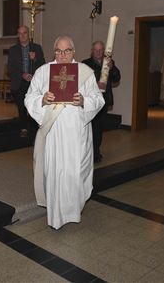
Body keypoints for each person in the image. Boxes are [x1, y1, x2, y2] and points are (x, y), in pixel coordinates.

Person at [25, 36, 104, 229]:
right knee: (55, 173)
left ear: (73, 52)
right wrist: (42, 100)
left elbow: (98, 99)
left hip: (77, 134)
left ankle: (73, 211)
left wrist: (84, 101)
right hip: (53, 133)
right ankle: (55, 216)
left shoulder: (85, 73)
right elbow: (29, 97)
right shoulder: (43, 72)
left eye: (67, 51)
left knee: (74, 174)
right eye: (59, 51)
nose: (63, 55)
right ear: (54, 52)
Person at [82, 41, 121, 162]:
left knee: (98, 129)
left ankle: (95, 152)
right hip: (89, 101)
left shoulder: (109, 63)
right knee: (90, 129)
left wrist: (112, 68)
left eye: (100, 50)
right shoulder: (85, 64)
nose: (98, 52)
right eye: (96, 50)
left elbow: (117, 78)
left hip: (103, 102)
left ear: (103, 51)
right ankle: (89, 153)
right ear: (92, 51)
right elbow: (81, 82)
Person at [7, 25, 45, 137]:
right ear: (18, 36)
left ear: (28, 34)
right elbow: (10, 68)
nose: (22, 35)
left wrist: (35, 59)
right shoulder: (13, 50)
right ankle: (24, 127)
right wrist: (22, 74)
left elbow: (43, 65)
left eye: (25, 33)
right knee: (22, 106)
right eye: (20, 33)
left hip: (33, 82)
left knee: (33, 107)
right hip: (19, 82)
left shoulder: (37, 48)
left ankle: (33, 129)